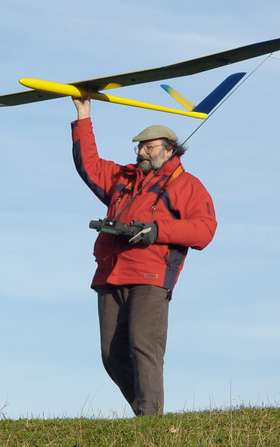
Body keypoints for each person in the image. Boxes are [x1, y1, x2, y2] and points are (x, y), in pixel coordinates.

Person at [71, 97, 217, 416]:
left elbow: (205, 230)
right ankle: (145, 411)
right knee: (111, 355)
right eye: (138, 148)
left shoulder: (187, 185)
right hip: (110, 277)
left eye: (148, 148)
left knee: (143, 346)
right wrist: (83, 114)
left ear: (168, 149)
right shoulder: (124, 180)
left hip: (150, 279)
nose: (140, 153)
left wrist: (156, 231)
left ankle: (150, 419)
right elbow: (90, 166)